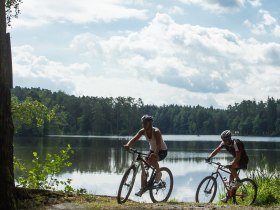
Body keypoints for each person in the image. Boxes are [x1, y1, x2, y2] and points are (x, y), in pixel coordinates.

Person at [123, 115, 168, 197]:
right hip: (152, 150)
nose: (143, 124)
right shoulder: (142, 131)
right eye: (142, 123)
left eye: (145, 123)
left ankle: (158, 173)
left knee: (152, 159)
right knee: (144, 169)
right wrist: (128, 144)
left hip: (162, 150)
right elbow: (135, 138)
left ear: (150, 123)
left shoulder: (156, 131)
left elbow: (158, 145)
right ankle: (142, 188)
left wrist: (155, 154)